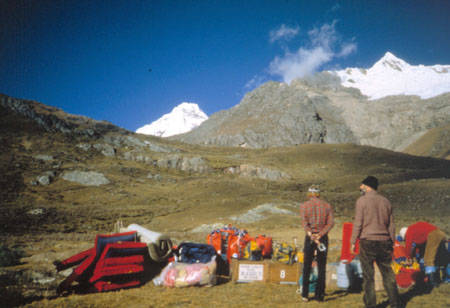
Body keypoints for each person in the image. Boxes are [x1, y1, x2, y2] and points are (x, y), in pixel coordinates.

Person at [351, 176, 400, 308]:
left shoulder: (361, 201)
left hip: (367, 242)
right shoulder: (386, 201)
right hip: (385, 241)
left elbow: (358, 223)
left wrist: (352, 241)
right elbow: (391, 225)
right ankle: (396, 303)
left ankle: (371, 305)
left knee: (368, 276)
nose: (360, 188)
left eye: (362, 186)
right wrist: (392, 241)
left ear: (367, 186)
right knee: (388, 274)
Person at [299, 185, 334, 302]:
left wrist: (310, 234)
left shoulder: (304, 206)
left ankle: (305, 294)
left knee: (307, 265)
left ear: (309, 194)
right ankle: (320, 295)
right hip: (322, 238)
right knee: (322, 266)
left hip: (309, 238)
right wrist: (320, 235)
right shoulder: (327, 206)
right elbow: (330, 223)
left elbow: (304, 223)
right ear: (319, 194)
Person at [399, 221, 448, 286]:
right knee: (443, 258)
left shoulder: (409, 232)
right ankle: (446, 279)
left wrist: (408, 259)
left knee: (428, 260)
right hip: (441, 234)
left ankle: (432, 282)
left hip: (433, 236)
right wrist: (413, 256)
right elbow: (417, 246)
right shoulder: (415, 230)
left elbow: (408, 247)